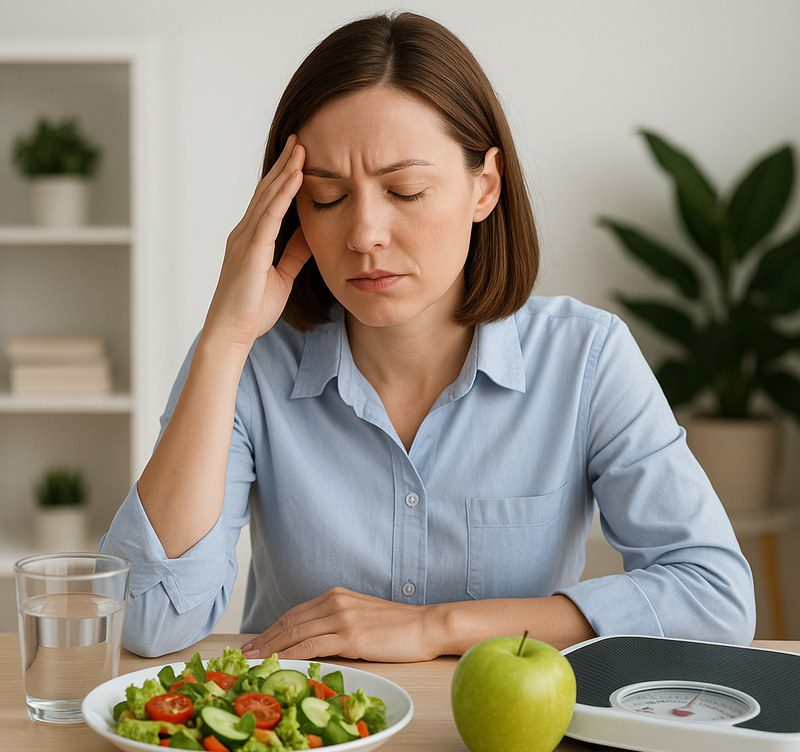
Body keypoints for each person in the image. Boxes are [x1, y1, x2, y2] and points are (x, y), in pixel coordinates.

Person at [99, 11, 756, 661]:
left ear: (484, 187)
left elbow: (713, 597)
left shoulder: (586, 358)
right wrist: (224, 337)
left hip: (512, 733)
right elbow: (147, 621)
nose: (364, 235)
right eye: (327, 198)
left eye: (406, 190)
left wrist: (437, 627)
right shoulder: (249, 362)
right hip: (302, 728)